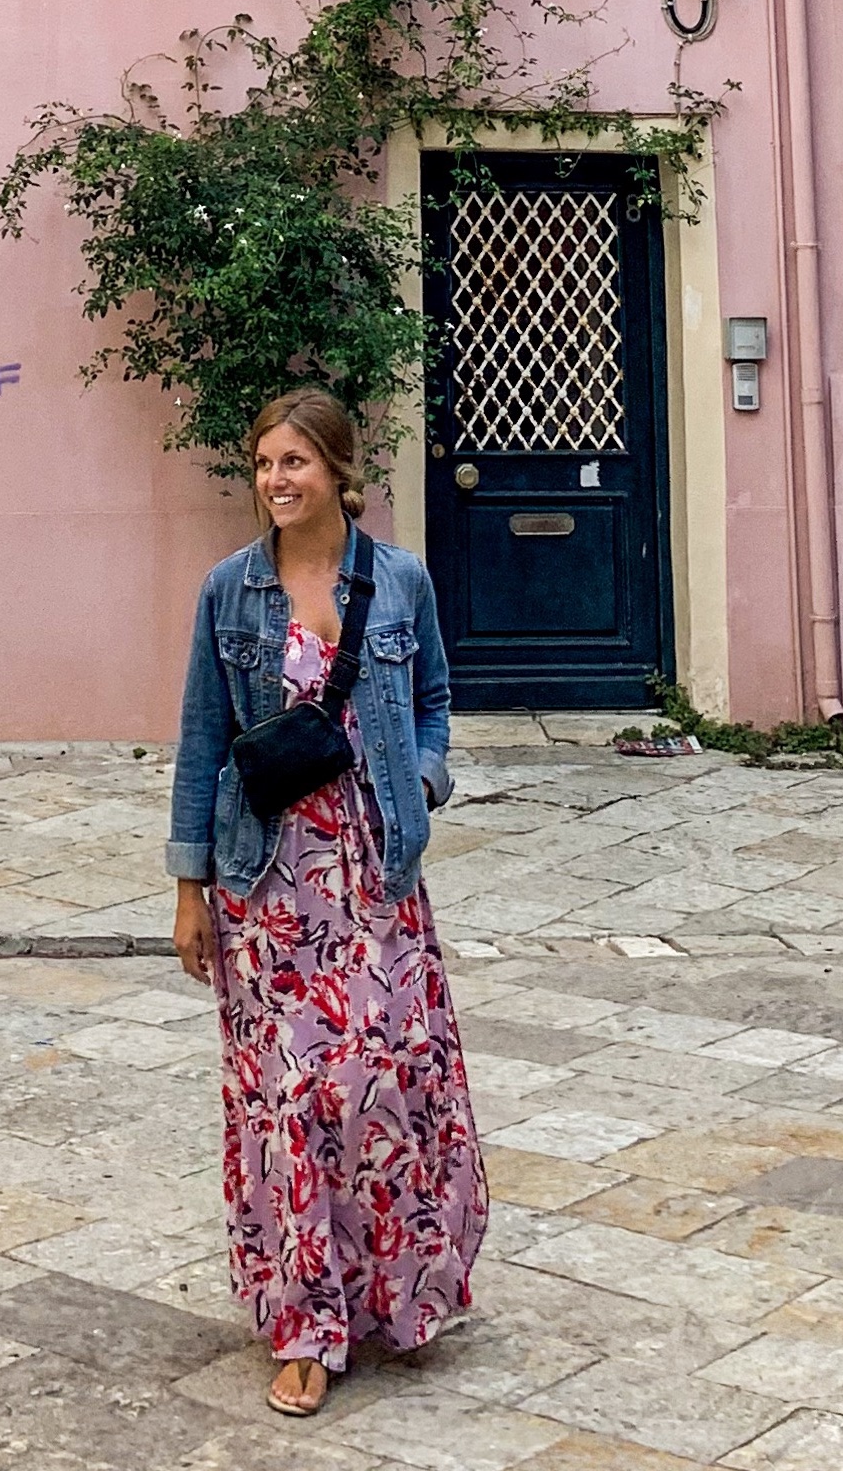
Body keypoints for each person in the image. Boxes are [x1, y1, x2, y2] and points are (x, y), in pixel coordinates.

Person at [167, 386, 487, 1419]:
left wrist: (427, 782)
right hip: (266, 888)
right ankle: (304, 1325)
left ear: (339, 470)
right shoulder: (229, 592)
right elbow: (201, 743)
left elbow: (433, 700)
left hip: (377, 877)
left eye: (294, 462)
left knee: (384, 1093)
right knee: (291, 1103)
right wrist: (188, 892)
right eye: (263, 463)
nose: (275, 480)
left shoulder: (397, 584)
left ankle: (395, 1298)